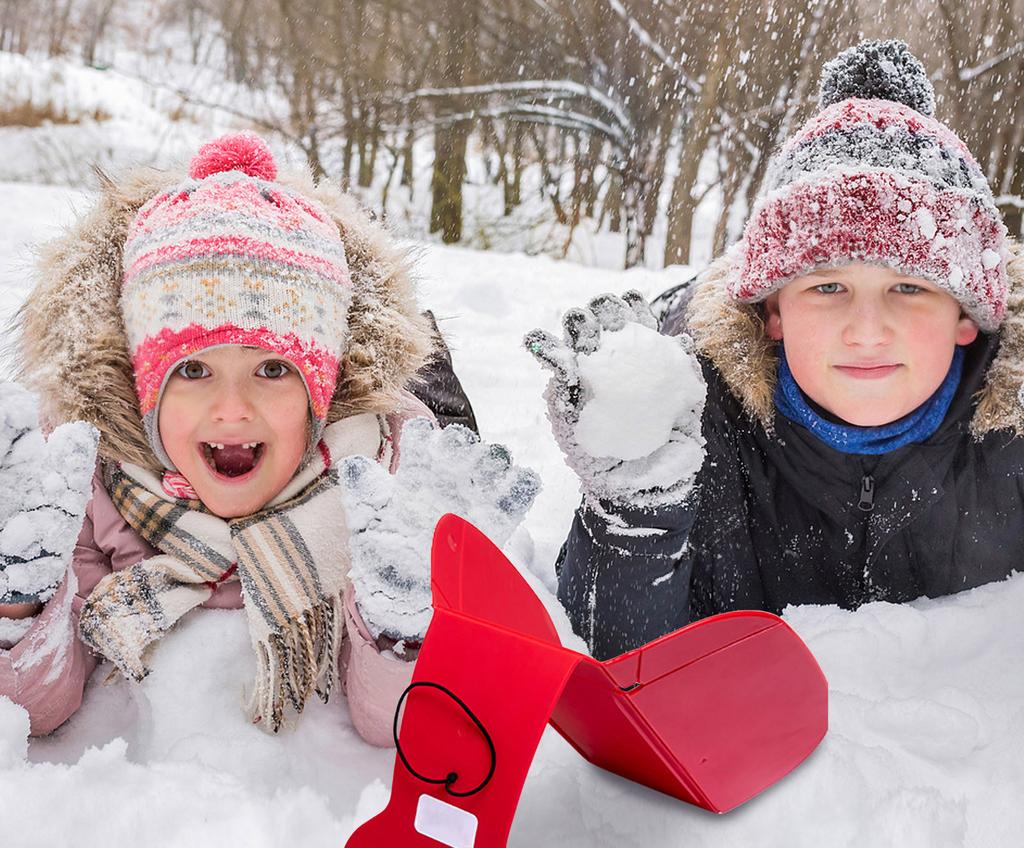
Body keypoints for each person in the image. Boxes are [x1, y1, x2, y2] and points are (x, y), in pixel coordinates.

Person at [0, 131, 536, 742]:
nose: (233, 410)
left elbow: (406, 727)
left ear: (321, 393)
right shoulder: (91, 481)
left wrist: (403, 628)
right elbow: (34, 714)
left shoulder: (383, 481)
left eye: (273, 369)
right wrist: (18, 606)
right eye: (194, 370)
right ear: (144, 391)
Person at [527, 39, 1023, 661]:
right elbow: (618, 671)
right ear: (774, 312)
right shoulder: (688, 416)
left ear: (967, 317)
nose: (867, 330)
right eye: (828, 286)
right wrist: (636, 509)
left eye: (908, 287)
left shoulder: (1014, 440)